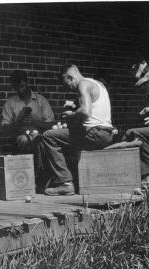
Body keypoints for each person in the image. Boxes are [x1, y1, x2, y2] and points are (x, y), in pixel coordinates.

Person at [41, 64, 114, 196]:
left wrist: (71, 115)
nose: (68, 87)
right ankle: (75, 177)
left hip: (94, 134)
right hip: (106, 134)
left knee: (48, 136)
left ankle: (65, 183)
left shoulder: (83, 84)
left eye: (67, 83)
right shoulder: (97, 84)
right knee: (64, 138)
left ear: (70, 77)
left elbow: (86, 111)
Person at [1, 70, 55, 154]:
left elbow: (51, 124)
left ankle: (39, 166)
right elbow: (5, 129)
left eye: (22, 86)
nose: (20, 90)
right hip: (21, 136)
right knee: (23, 139)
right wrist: (18, 122)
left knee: (41, 140)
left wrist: (35, 123)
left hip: (39, 135)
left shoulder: (41, 100)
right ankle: (26, 165)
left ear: (27, 83)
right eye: (16, 88)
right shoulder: (10, 103)